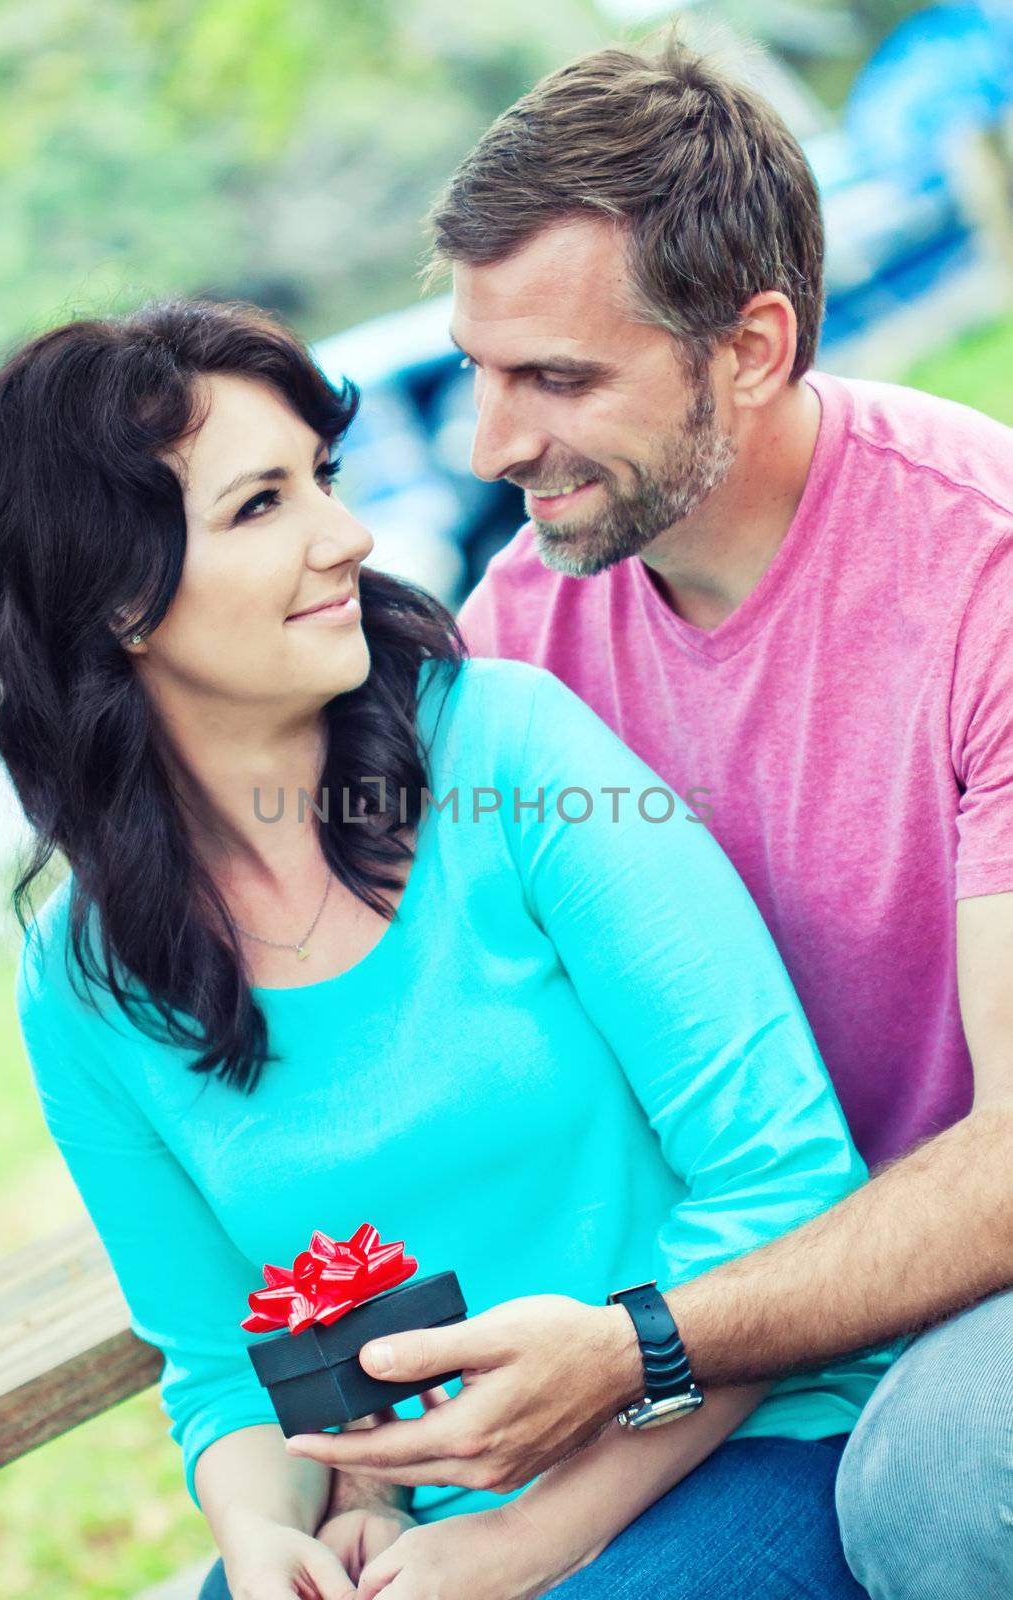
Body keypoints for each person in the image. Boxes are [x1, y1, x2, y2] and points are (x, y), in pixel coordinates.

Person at [0, 297, 887, 1600]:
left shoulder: (512, 758)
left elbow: (788, 1184)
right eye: (261, 506)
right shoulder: (81, 984)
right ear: (114, 599)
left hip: (735, 1427)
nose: (350, 535)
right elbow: (224, 1369)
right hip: (422, 1533)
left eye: (320, 480)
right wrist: (265, 1536)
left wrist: (522, 1540)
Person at [298, 35, 1013, 1600]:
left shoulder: (988, 577)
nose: (492, 445)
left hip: (963, 1298)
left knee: (942, 1479)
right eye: (482, 370)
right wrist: (348, 1458)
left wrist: (641, 1351)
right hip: (719, 1328)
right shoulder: (517, 631)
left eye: (558, 380)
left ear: (751, 346)